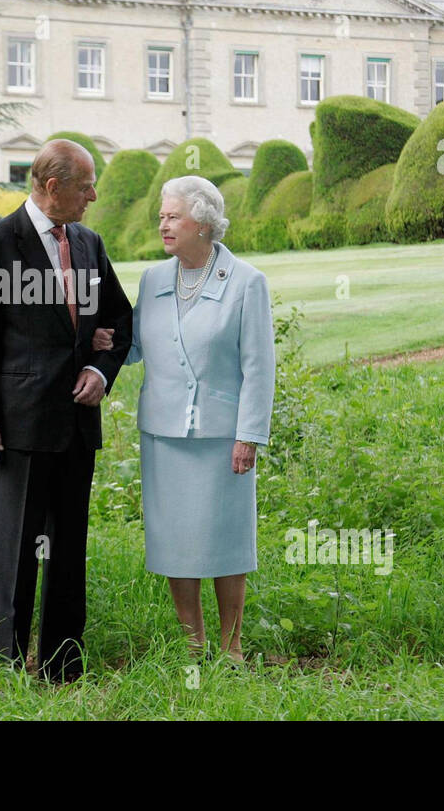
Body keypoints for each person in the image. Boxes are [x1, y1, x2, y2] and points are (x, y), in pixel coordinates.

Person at [0, 139, 133, 683]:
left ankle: (62, 666)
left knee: (68, 550)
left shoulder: (88, 242)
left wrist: (100, 368)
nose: (94, 196)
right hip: (17, 428)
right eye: (85, 187)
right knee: (15, 552)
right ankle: (7, 667)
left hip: (77, 427)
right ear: (52, 188)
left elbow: (118, 322)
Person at [93, 175, 274, 663]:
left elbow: (259, 366)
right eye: (161, 216)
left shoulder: (247, 282)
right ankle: (191, 644)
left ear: (204, 223)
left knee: (226, 541)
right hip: (164, 434)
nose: (163, 224)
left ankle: (231, 646)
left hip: (222, 436)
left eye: (173, 216)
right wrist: (107, 344)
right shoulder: (153, 279)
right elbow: (138, 347)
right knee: (175, 540)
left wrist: (249, 436)